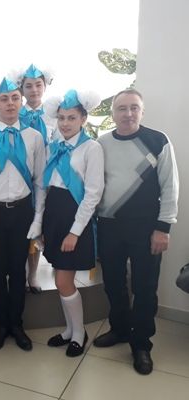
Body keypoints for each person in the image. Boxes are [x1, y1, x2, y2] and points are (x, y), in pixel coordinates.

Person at [93, 89, 179, 374]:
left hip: (147, 227)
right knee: (113, 283)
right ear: (113, 113)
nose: (128, 114)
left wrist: (163, 227)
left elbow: (170, 186)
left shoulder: (158, 141)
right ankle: (119, 329)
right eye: (122, 108)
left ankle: (141, 344)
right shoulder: (101, 143)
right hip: (109, 225)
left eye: (134, 108)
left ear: (142, 111)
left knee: (145, 287)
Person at [0, 78, 46, 351]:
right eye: (4, 99)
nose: (10, 103)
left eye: (15, 98)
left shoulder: (34, 137)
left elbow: (40, 181)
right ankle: (1, 325)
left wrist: (38, 217)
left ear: (21, 102)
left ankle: (17, 324)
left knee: (19, 269)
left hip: (22, 211)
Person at [42, 90, 103, 357]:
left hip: (74, 217)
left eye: (72, 118)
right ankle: (69, 330)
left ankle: (79, 333)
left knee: (64, 280)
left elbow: (93, 194)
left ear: (83, 119)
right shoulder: (55, 145)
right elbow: (47, 185)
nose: (65, 123)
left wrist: (75, 232)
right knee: (60, 279)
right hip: (54, 215)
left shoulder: (91, 148)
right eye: (62, 118)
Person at [17, 63, 56, 294]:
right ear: (21, 89)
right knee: (23, 227)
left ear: (45, 87)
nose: (34, 90)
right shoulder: (15, 114)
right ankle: (20, 272)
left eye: (38, 85)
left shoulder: (53, 116)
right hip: (22, 179)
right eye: (29, 86)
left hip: (47, 179)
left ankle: (33, 274)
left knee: (39, 225)